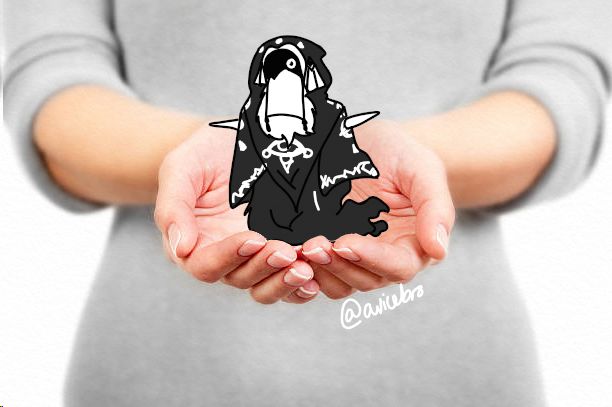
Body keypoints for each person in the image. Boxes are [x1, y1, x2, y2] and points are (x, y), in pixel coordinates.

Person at [3, 1, 610, 406]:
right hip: (151, 375)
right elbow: (53, 75)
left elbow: (562, 82)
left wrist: (390, 163)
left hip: (456, 377)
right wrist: (218, 158)